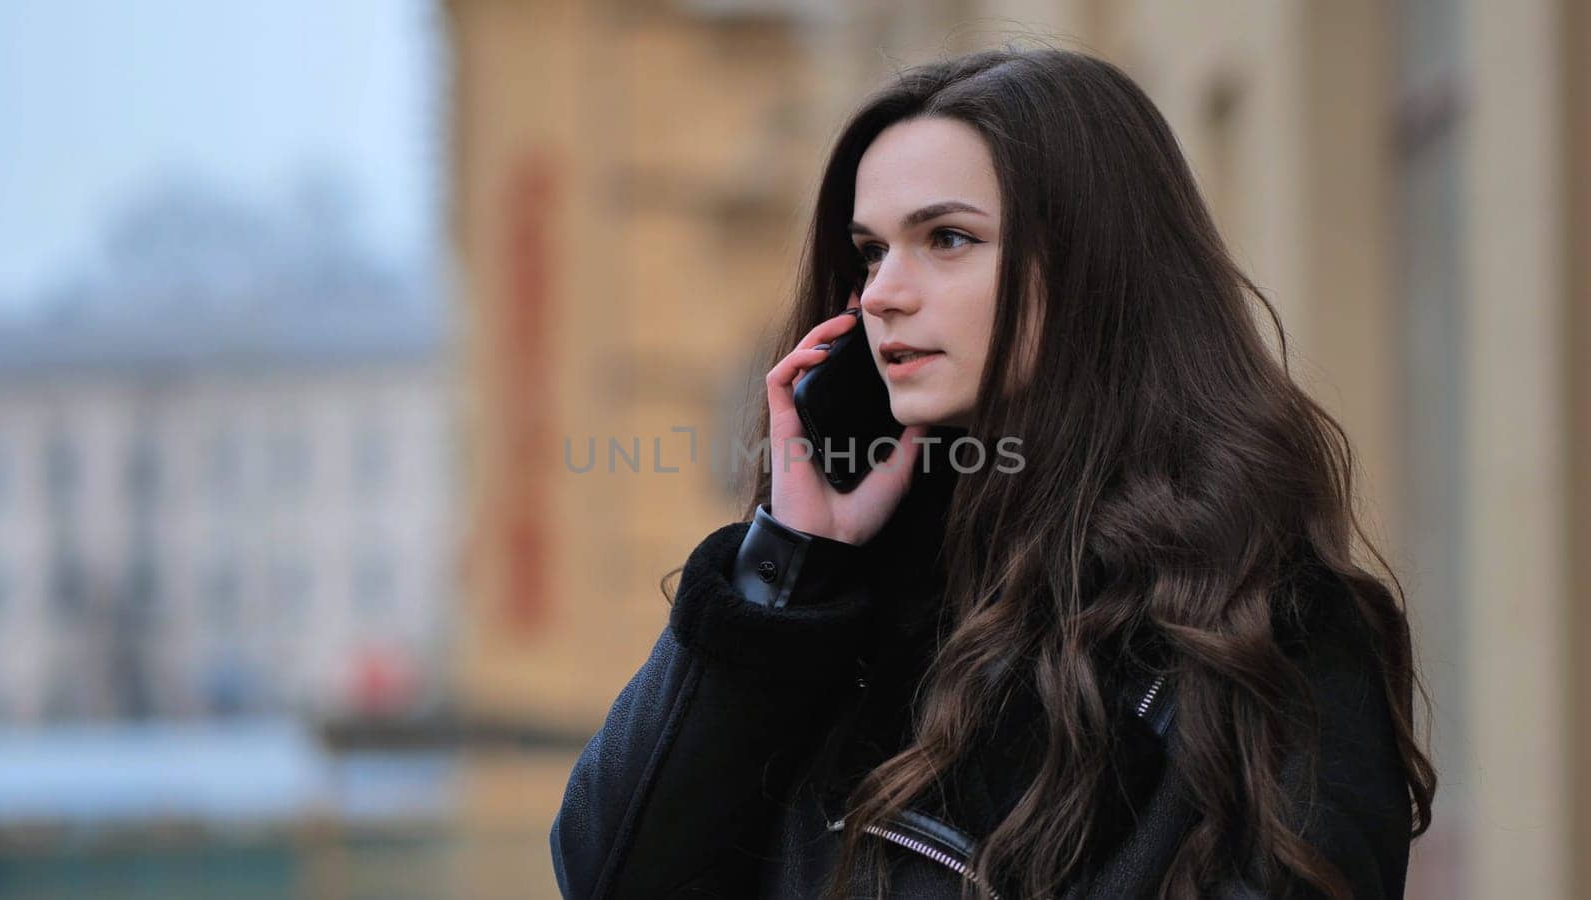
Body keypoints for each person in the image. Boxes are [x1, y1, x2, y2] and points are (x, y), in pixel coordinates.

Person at [549, 46, 1436, 899]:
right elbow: (610, 871)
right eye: (871, 251)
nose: (884, 293)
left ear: (1097, 266)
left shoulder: (1266, 630)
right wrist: (789, 564)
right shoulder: (842, 603)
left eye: (947, 238)